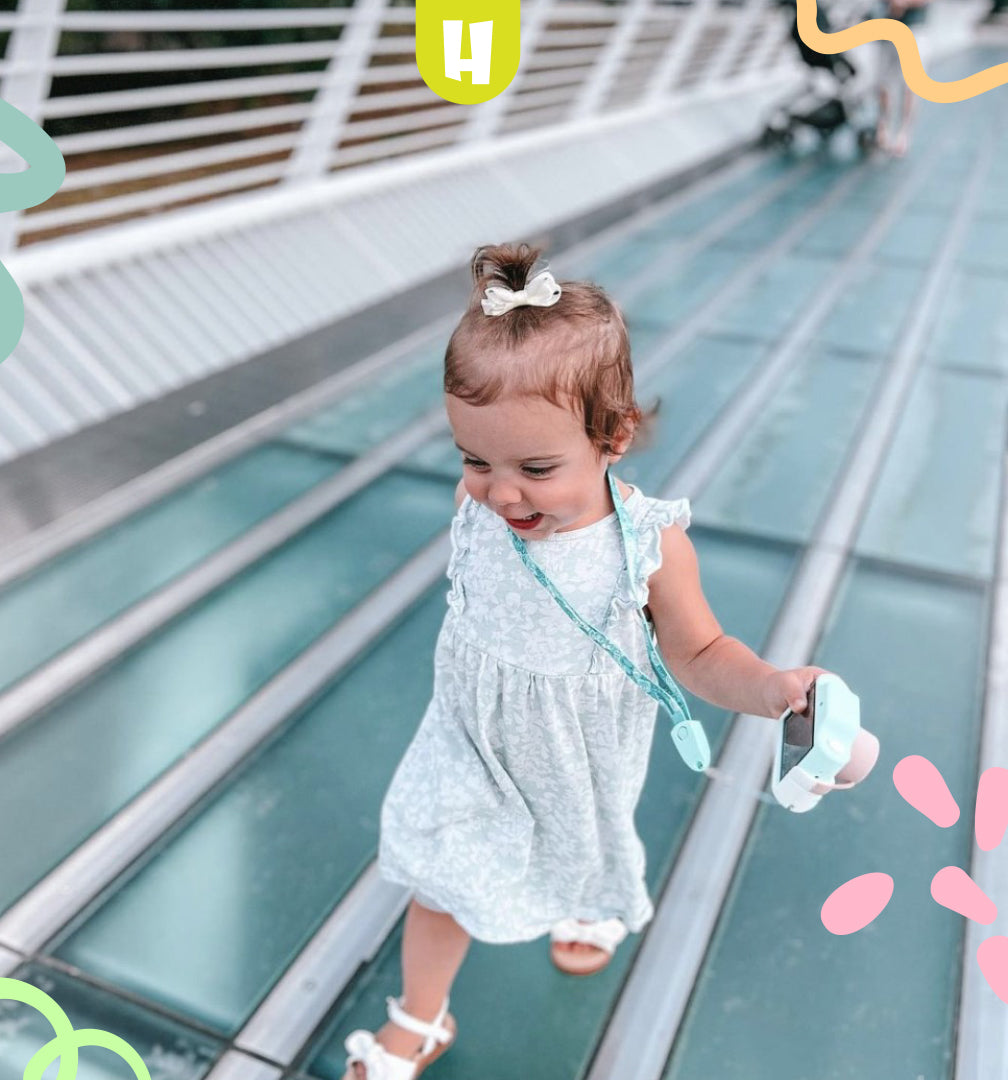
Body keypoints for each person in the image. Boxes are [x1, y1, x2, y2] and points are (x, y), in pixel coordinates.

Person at [342, 243, 834, 1080]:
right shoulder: (484, 504)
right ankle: (419, 1019)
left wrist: (774, 689)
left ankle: (593, 903)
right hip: (467, 743)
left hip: (575, 753)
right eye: (474, 458)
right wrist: (500, 478)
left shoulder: (645, 545)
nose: (500, 493)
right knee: (441, 877)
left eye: (536, 468)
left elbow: (702, 651)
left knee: (584, 846)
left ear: (613, 437)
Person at [875, 0, 931, 156]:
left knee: (910, 85)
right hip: (886, 27)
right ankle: (883, 127)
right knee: (883, 82)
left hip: (913, 28)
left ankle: (903, 133)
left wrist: (904, 3)